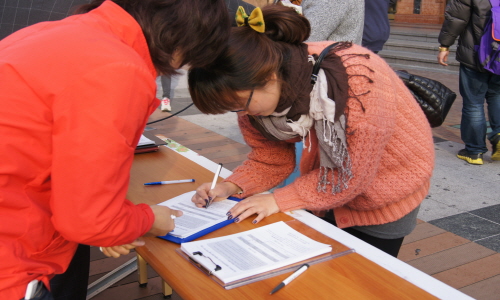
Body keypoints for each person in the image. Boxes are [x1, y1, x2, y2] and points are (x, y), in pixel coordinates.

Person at [0, 0, 230, 299]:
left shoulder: (49, 33)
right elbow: (89, 220)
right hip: (16, 253)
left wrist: (112, 223)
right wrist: (148, 219)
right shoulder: (118, 66)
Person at [188, 5, 434, 258]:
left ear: (269, 76)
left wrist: (279, 200)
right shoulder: (252, 100)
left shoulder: (355, 81)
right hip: (327, 189)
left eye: (241, 103)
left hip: (386, 189)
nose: (243, 113)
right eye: (232, 108)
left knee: (368, 280)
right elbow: (269, 158)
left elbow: (348, 174)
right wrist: (231, 186)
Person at [437, 0, 500, 165]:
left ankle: (474, 151)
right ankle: (499, 136)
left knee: (474, 102)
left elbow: (456, 18)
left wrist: (445, 45)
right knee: (497, 95)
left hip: (476, 54)